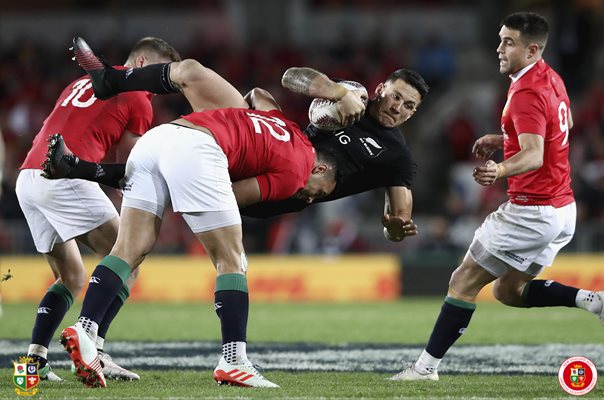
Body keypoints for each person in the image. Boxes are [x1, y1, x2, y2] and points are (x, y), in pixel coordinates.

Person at [59, 87, 340, 388]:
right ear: (320, 168)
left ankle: (85, 329)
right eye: (319, 192)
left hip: (158, 138)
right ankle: (234, 361)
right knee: (232, 258)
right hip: (198, 149)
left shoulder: (283, 124)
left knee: (129, 249)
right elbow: (231, 196)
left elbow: (259, 93)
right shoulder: (297, 173)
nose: (310, 199)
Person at [390, 12, 604, 382]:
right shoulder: (550, 77)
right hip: (561, 209)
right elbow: (562, 126)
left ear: (532, 49)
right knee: (509, 290)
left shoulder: (525, 92)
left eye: (509, 42)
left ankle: (425, 369)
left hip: (531, 211)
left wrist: (500, 169)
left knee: (462, 281)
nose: (499, 48)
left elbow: (535, 153)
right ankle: (593, 301)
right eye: (501, 39)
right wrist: (506, 139)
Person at [48, 37, 428, 242]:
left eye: (408, 105)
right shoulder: (350, 97)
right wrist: (335, 91)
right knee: (193, 74)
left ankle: (86, 168)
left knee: (178, 181)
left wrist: (394, 228)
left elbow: (399, 214)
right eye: (395, 95)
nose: (398, 107)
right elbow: (290, 77)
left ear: (413, 113)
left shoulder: (397, 157)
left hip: (285, 184)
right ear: (381, 89)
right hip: (275, 141)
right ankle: (109, 87)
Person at [15, 37, 181, 382]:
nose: (161, 84)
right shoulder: (138, 94)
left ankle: (34, 363)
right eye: (161, 72)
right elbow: (129, 165)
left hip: (29, 177)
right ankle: (95, 348)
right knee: (128, 255)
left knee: (72, 275)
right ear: (142, 63)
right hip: (64, 179)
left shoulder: (81, 80)